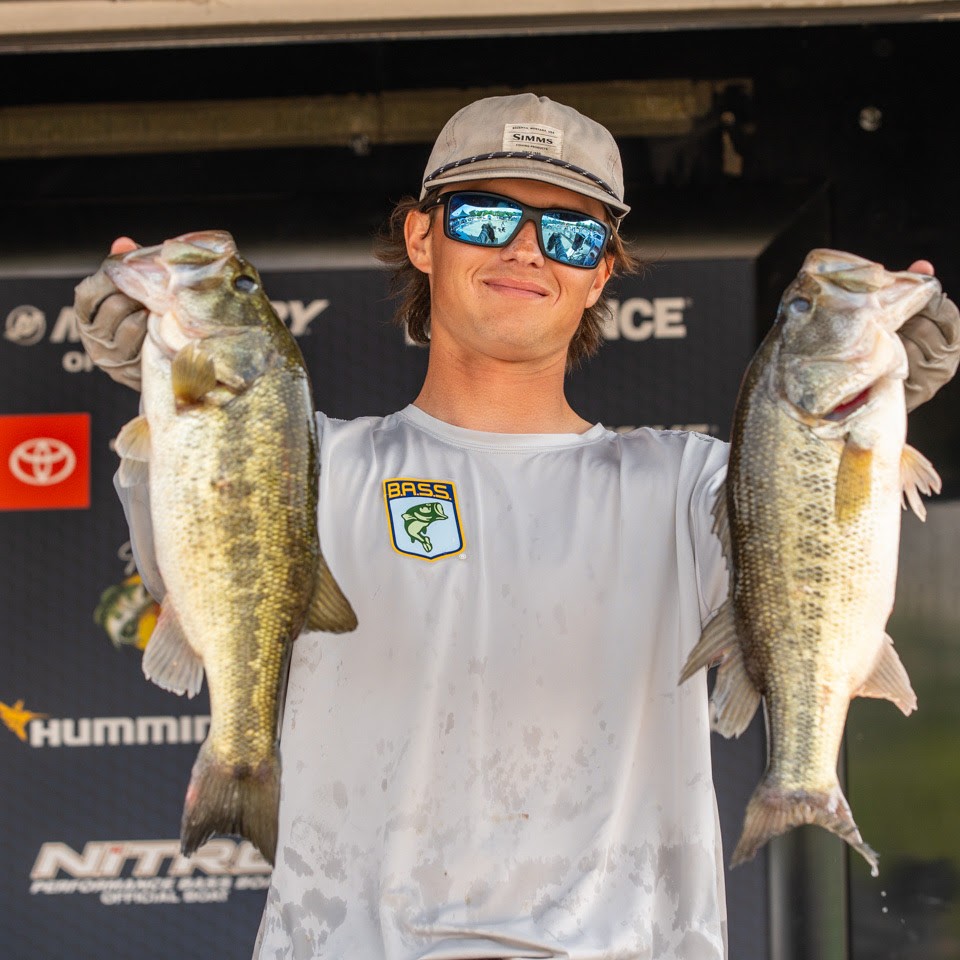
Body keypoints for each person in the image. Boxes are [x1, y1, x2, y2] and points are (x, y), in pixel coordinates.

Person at [75, 93, 960, 960]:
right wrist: (175, 394)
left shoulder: (695, 486)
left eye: (573, 234)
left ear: (600, 274)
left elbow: (816, 567)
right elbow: (182, 569)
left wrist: (858, 422)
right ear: (421, 237)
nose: (528, 248)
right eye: (487, 217)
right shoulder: (306, 463)